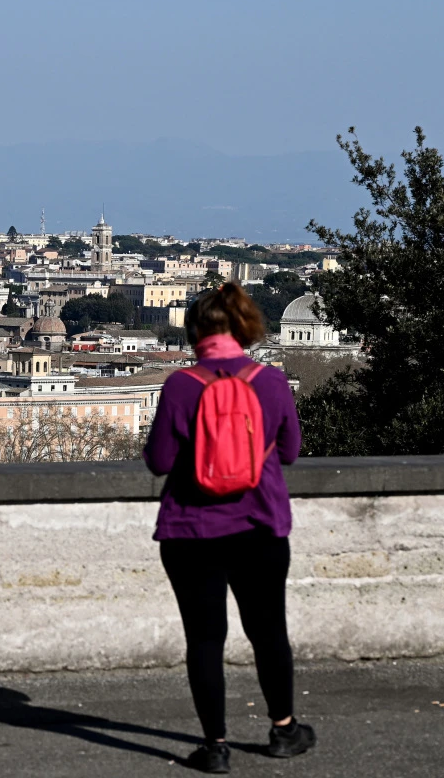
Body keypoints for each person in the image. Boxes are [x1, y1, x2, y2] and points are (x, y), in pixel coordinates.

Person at [143, 283, 316, 774]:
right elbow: (288, 453)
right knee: (269, 633)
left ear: (194, 329)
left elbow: (158, 461)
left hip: (190, 530)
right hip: (259, 526)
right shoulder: (271, 382)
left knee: (204, 639)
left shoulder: (181, 385)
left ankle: (215, 746)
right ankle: (284, 731)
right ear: (244, 328)